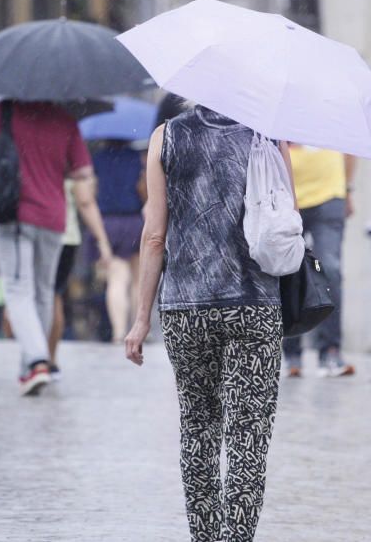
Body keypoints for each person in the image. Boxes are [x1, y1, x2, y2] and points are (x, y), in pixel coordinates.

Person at [125, 106, 293, 541]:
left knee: (198, 426)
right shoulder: (267, 135)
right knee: (248, 435)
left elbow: (155, 235)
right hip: (252, 304)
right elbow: (285, 220)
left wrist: (141, 318)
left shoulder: (166, 137)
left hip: (185, 307)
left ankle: (205, 537)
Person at [0, 102, 93, 395]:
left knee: (17, 289)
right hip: (54, 218)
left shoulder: (3, 112)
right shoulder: (65, 119)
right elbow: (83, 172)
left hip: (12, 214)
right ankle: (31, 367)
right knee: (43, 291)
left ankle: (37, 361)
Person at [282, 145, 356, 377]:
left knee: (330, 268)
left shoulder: (335, 109)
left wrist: (347, 188)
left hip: (330, 193)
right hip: (288, 194)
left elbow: (351, 145)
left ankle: (331, 350)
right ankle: (291, 352)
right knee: (288, 270)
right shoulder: (280, 109)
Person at [49, 178, 112, 377]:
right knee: (53, 296)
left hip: (29, 231)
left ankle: (32, 355)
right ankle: (49, 359)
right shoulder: (69, 150)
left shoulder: (22, 147)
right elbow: (85, 201)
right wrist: (102, 240)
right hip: (65, 234)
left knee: (27, 294)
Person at [90, 140, 144, 344]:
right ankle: (138, 331)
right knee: (138, 281)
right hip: (134, 220)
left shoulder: (97, 159)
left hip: (107, 222)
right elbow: (142, 188)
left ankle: (119, 332)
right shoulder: (136, 159)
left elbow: (92, 190)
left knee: (116, 279)